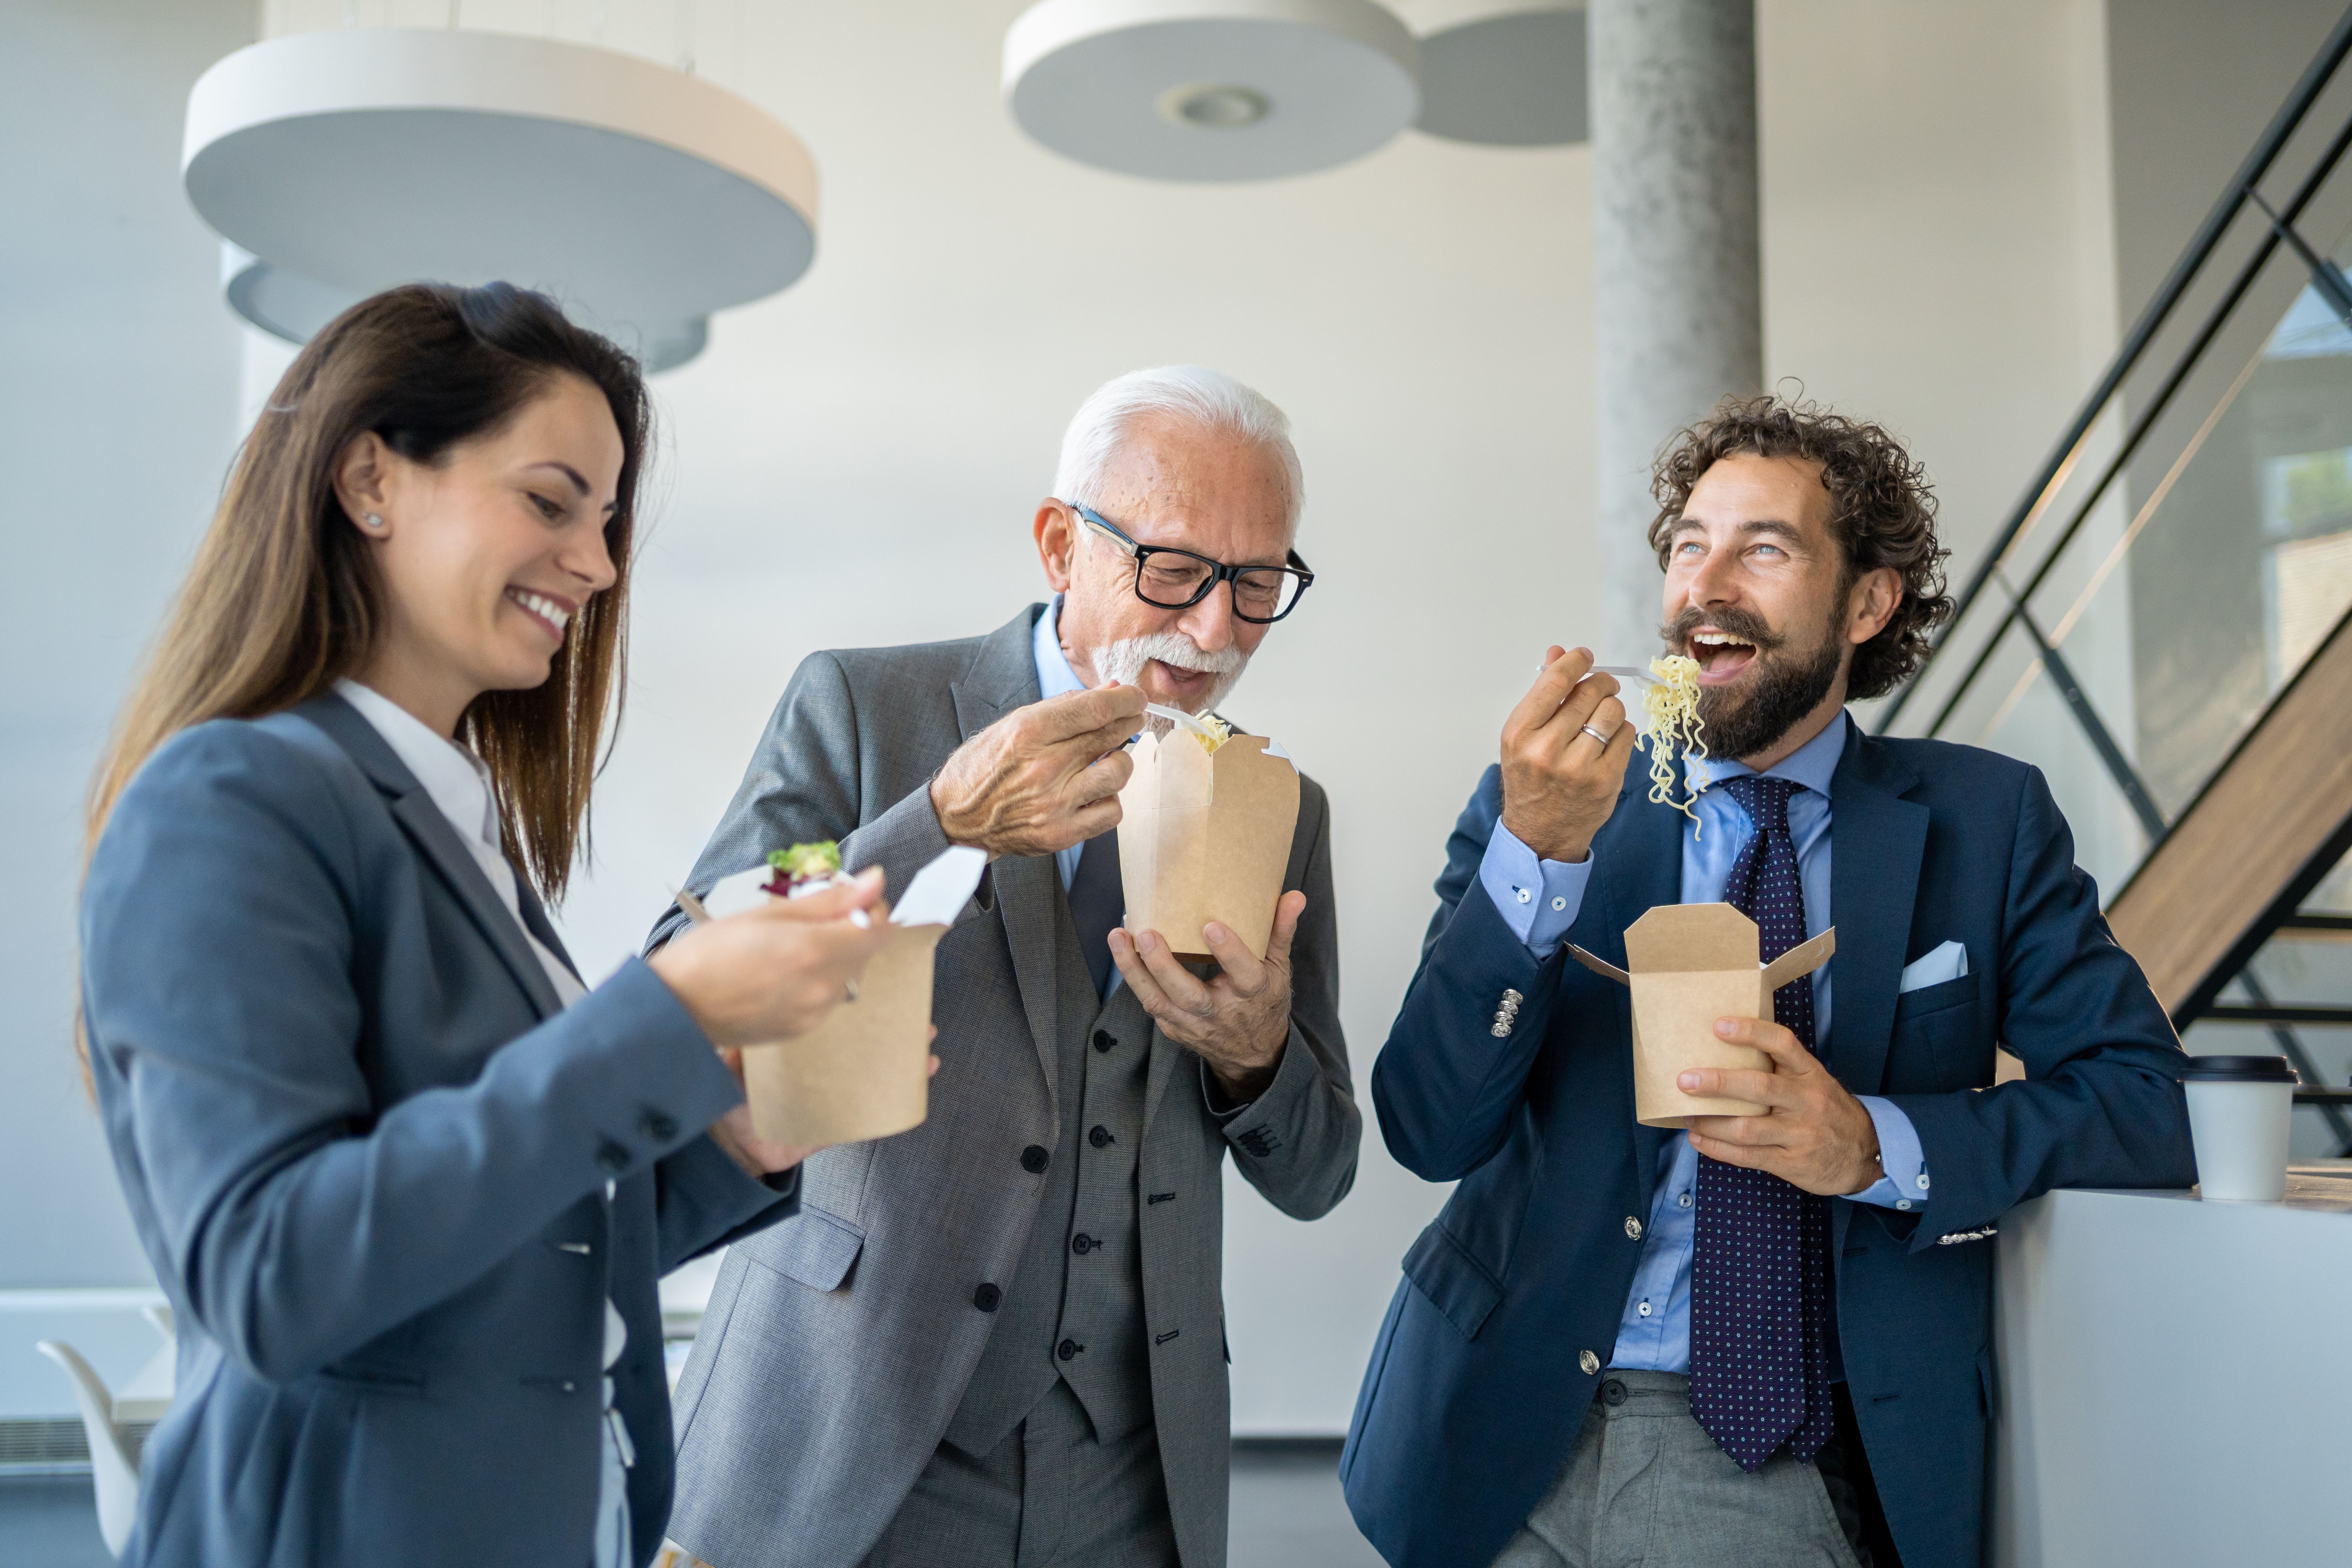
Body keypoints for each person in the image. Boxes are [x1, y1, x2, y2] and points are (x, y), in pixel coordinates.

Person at [78, 283, 897, 1568]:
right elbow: (272, 1275)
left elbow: (523, 1247)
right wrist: (669, 1015)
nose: (600, 562)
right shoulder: (230, 800)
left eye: (610, 519)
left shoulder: (464, 829)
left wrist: (737, 1140)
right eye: (551, 498)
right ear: (371, 482)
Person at [1342, 395, 2196, 1568]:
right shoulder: (1547, 803)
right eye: (1689, 544)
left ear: (1867, 602)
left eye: (1766, 548)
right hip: (1487, 1442)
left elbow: (2147, 1103)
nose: (1708, 582)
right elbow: (1428, 1127)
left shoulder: (1987, 822)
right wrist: (1535, 860)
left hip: (1773, 1458)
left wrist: (1879, 1145)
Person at [652, 366, 1360, 1568]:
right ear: (1058, 544)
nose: (1217, 630)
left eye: (1257, 584)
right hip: (849, 1433)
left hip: (1133, 1480)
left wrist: (1254, 1062)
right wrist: (934, 817)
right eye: (1178, 570)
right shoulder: (867, 707)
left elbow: (1321, 1171)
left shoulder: (1280, 808)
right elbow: (685, 986)